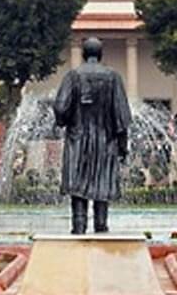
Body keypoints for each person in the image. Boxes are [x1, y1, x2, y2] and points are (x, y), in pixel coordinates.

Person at [53, 37, 131, 235]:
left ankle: (78, 226)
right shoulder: (113, 77)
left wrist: (64, 122)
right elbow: (122, 117)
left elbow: (60, 107)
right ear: (100, 54)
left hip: (77, 140)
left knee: (78, 185)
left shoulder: (72, 76)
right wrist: (123, 146)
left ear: (83, 54)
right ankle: (101, 226)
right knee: (102, 185)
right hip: (106, 141)